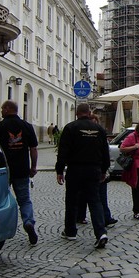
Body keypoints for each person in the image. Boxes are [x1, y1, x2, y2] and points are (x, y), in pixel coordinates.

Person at [55, 103, 108, 249]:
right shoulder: (99, 129)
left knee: (71, 200)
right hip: (94, 169)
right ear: (89, 112)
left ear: (77, 113)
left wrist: (59, 170)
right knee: (95, 201)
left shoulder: (70, 128)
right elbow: (105, 153)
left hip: (75, 169)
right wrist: (104, 170)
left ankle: (71, 231)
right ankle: (101, 232)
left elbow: (63, 151)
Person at [0, 100, 39, 245]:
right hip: (22, 168)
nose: (0, 111)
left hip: (3, 171)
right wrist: (33, 167)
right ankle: (28, 222)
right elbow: (33, 149)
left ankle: (1, 228)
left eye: (2, 108)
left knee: (1, 200)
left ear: (7, 109)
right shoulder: (27, 126)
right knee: (24, 200)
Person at [76, 113, 118, 227]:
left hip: (99, 170)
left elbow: (107, 155)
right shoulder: (81, 137)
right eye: (92, 122)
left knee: (101, 196)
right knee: (84, 196)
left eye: (95, 122)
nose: (93, 125)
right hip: (87, 170)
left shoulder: (101, 135)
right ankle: (81, 216)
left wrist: (107, 169)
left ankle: (106, 218)